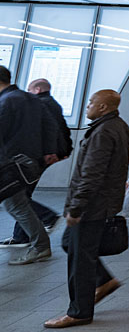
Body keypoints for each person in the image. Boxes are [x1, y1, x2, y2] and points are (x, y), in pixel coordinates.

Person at [43, 90, 129, 329]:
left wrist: (76, 207)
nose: (87, 106)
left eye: (91, 102)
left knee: (80, 259)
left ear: (103, 107)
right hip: (102, 203)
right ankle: (104, 281)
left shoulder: (103, 132)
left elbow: (92, 174)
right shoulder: (118, 126)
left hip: (93, 206)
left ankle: (79, 312)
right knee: (70, 244)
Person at [1, 78, 70, 249]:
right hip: (31, 159)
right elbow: (52, 127)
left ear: (38, 89)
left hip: (15, 160)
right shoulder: (35, 101)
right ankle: (24, 237)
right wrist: (51, 151)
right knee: (18, 199)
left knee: (17, 201)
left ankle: (43, 227)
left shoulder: (9, 100)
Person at [0, 66, 51, 265]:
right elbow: (50, 127)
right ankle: (41, 245)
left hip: (7, 164)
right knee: (17, 205)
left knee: (17, 206)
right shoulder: (31, 99)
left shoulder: (5, 101)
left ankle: (41, 246)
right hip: (23, 164)